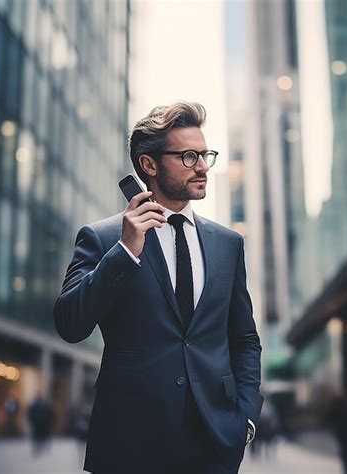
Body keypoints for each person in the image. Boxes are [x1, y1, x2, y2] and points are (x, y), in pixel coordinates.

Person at [54, 101, 263, 474]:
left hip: (214, 444)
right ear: (148, 165)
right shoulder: (103, 239)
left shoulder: (228, 244)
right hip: (131, 446)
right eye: (187, 157)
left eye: (205, 155)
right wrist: (124, 251)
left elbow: (244, 338)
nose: (202, 167)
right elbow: (70, 324)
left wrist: (245, 418)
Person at [325, 389, 347, 474]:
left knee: (346, 452)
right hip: (345, 431)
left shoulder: (337, 403)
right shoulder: (339, 403)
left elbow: (329, 417)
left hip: (345, 431)